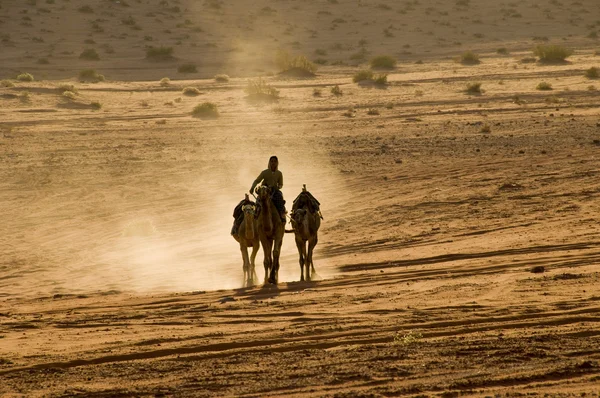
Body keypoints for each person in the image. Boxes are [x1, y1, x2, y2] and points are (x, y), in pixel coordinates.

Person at [250, 156, 286, 222]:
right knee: (259, 201)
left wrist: (278, 187)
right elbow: (257, 181)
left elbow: (281, 184)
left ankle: (282, 215)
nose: (273, 163)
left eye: (275, 161)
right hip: (264, 190)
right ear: (269, 162)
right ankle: (255, 216)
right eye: (271, 161)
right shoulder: (264, 172)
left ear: (277, 163)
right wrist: (252, 188)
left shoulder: (279, 173)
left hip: (274, 191)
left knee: (280, 197)